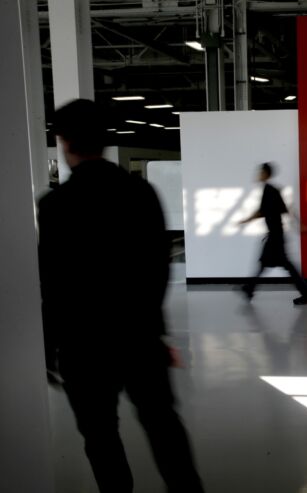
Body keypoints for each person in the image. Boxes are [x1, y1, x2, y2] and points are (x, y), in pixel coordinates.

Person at [38, 99, 204, 493]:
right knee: (162, 424)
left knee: (99, 435)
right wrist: (156, 333)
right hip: (138, 337)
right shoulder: (140, 192)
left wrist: (49, 344)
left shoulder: (55, 205)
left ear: (62, 141)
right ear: (108, 140)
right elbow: (156, 269)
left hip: (83, 343)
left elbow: (53, 283)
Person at [239, 162, 307, 305]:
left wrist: (246, 220)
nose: (258, 174)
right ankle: (249, 288)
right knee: (267, 263)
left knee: (283, 265)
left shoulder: (270, 190)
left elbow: (263, 212)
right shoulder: (270, 190)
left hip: (275, 235)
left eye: (261, 172)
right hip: (276, 234)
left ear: (266, 174)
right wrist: (299, 225)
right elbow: (286, 210)